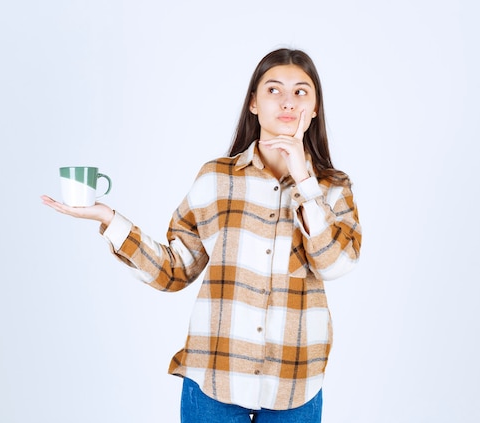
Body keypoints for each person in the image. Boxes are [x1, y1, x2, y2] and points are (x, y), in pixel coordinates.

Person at [42, 48, 362, 423]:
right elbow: (175, 270)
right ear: (254, 104)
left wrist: (305, 181)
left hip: (295, 383)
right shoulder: (216, 178)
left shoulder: (331, 188)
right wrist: (110, 220)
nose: (287, 102)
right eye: (273, 90)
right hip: (213, 379)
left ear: (315, 107)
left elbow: (334, 265)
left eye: (300, 92)